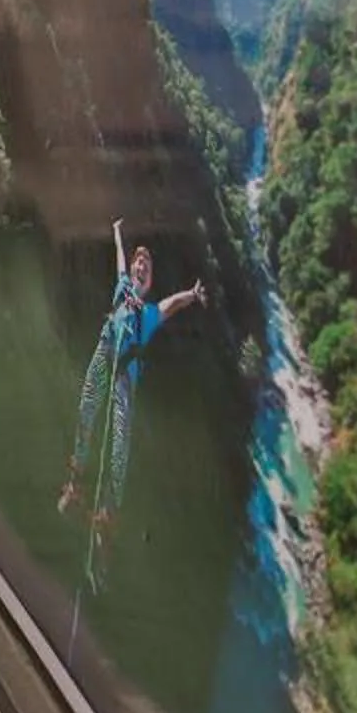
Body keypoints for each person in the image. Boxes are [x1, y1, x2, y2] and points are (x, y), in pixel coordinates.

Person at [57, 217, 208, 532]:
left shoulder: (150, 313)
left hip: (124, 376)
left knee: (120, 442)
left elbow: (173, 304)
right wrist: (116, 232)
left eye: (146, 267)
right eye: (139, 263)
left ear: (150, 282)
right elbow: (120, 261)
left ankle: (108, 511)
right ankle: (75, 483)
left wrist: (192, 294)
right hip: (103, 355)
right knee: (86, 412)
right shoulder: (122, 287)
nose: (140, 267)